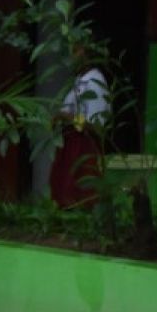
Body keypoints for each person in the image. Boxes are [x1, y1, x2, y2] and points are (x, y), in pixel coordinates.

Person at [48, 46, 111, 209]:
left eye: (77, 51)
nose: (72, 55)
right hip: (70, 143)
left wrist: (66, 117)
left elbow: (96, 125)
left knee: (83, 193)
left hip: (84, 146)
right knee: (64, 192)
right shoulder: (78, 80)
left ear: (89, 54)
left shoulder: (95, 82)